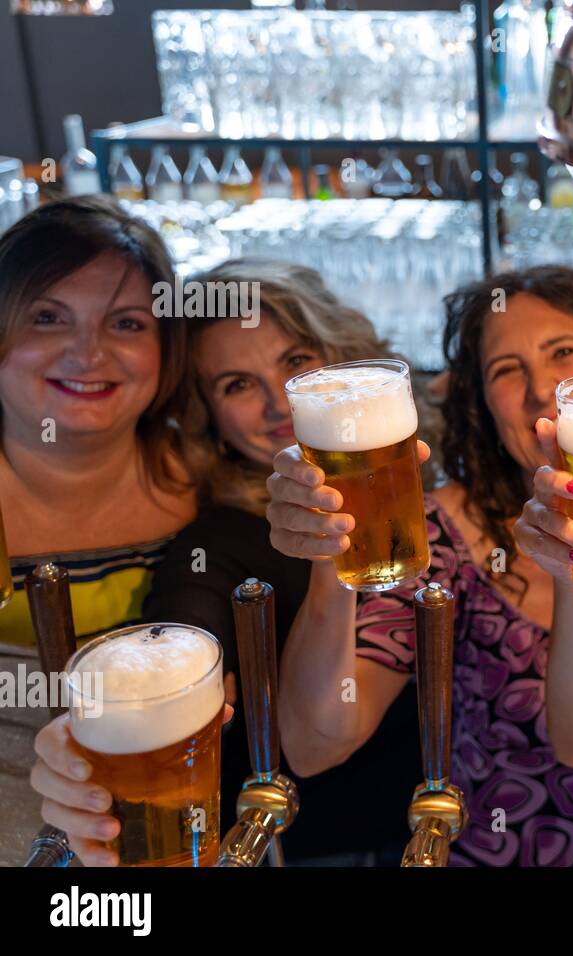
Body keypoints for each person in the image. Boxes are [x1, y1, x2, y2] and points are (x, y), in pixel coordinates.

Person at [264, 265, 573, 866]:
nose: (542, 389)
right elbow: (313, 745)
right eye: (507, 370)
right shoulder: (440, 535)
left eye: (564, 352)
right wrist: (330, 551)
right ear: (481, 405)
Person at [27, 258, 438, 865]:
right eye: (237, 385)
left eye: (296, 362)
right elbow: (179, 636)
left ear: (342, 355)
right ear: (207, 415)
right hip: (336, 848)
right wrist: (82, 749)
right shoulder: (218, 543)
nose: (280, 404)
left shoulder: (417, 470)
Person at [0, 196, 194, 647]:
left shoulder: (216, 477)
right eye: (47, 318)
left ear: (167, 350)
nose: (88, 354)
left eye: (126, 324)